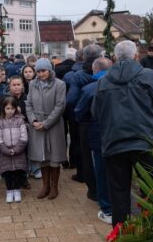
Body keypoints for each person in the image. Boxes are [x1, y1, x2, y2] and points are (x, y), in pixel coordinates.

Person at [91, 40, 153, 227]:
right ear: (136, 56)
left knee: (118, 192)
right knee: (151, 189)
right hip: (145, 141)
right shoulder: (149, 76)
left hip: (115, 142)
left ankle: (122, 233)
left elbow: (96, 113)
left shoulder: (103, 81)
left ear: (115, 58)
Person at [74, 57, 113, 224]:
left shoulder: (90, 89)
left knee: (101, 171)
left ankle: (106, 207)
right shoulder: (120, 85)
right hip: (118, 135)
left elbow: (79, 112)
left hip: (98, 136)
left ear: (94, 70)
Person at [26, 58, 67, 200]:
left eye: (43, 71)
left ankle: (54, 186)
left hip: (54, 125)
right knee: (42, 156)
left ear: (49, 70)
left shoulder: (60, 84)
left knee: (54, 157)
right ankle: (45, 186)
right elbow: (28, 104)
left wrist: (47, 123)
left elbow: (60, 106)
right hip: (37, 125)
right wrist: (33, 120)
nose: (40, 74)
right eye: (38, 71)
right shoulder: (32, 84)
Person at [66, 44, 103, 200]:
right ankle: (103, 189)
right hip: (104, 120)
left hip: (86, 121)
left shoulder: (78, 76)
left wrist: (82, 110)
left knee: (87, 156)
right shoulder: (107, 72)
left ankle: (93, 190)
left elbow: (71, 100)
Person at [0, 97, 28, 203]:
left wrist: (16, 149)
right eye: (7, 108)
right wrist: (6, 150)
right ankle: (9, 191)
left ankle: (17, 190)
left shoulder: (20, 121)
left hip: (19, 152)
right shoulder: (0, 123)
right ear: (3, 109)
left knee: (18, 172)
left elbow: (24, 137)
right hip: (5, 153)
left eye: (12, 108)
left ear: (16, 109)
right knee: (8, 173)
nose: (10, 111)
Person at [62, 49, 84, 169]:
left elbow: (68, 97)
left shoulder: (69, 75)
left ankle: (72, 162)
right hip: (87, 112)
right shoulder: (94, 72)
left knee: (74, 138)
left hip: (71, 111)